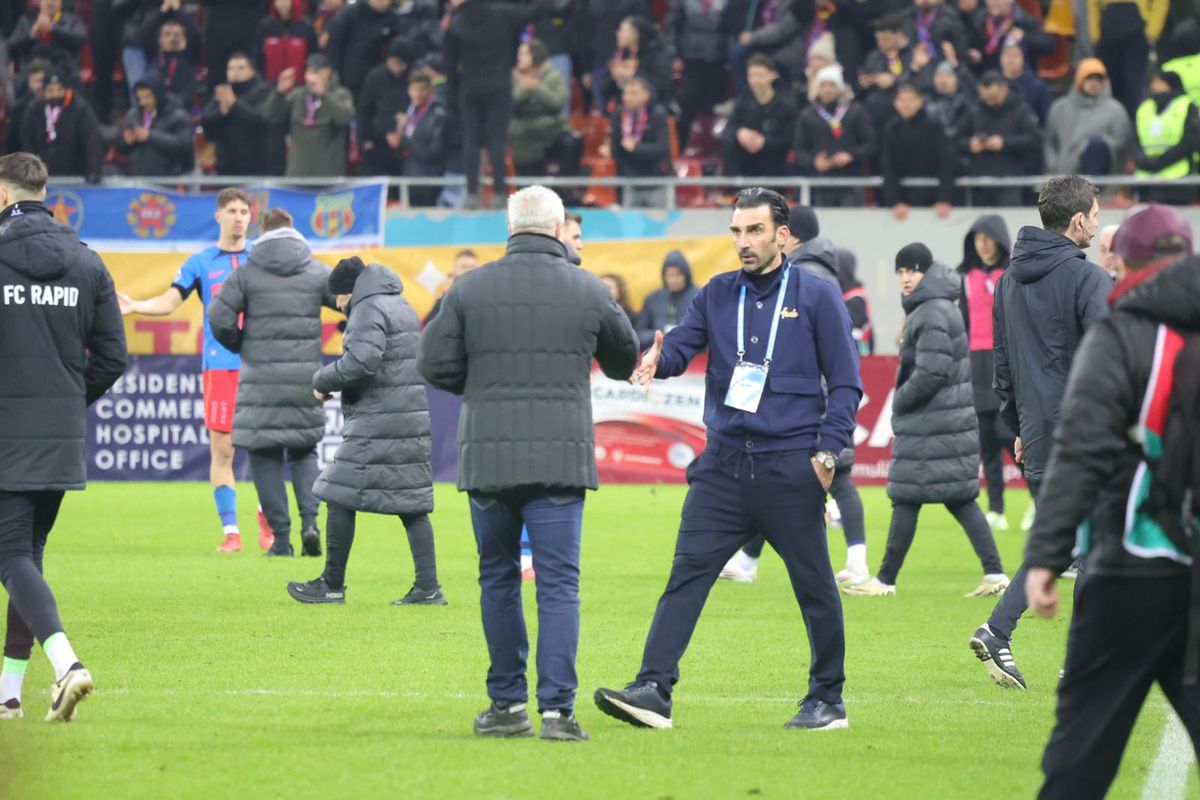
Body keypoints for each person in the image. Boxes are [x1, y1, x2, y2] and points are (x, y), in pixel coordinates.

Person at [593, 188, 862, 733]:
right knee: (687, 574)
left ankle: (827, 700)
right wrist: (654, 358)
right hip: (722, 467)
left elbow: (847, 384)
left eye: (755, 231)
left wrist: (828, 452)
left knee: (813, 586)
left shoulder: (816, 295)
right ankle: (654, 689)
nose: (743, 241)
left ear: (783, 236)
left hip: (791, 467)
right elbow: (678, 349)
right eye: (737, 231)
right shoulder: (716, 294)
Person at [420, 185, 639, 742]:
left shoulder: (468, 287)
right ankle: (558, 713)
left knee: (497, 581)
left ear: (510, 226)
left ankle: (506, 706)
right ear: (561, 227)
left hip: (488, 457)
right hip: (560, 459)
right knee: (559, 586)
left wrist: (483, 386)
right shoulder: (589, 287)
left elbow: (432, 362)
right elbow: (624, 360)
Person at [1023, 204, 1200, 800]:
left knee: (1080, 757)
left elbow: (1081, 453)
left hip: (1130, 568)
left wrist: (1047, 557)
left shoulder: (1120, 333)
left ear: (1124, 262)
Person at [969, 175, 1112, 689]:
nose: (1097, 223)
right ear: (1077, 221)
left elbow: (1001, 372)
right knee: (1095, 545)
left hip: (1037, 434)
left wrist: (1022, 427)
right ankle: (1082, 662)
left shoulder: (1007, 281)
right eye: (1095, 214)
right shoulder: (1087, 279)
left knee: (1059, 547)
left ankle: (997, 630)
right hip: (1086, 433)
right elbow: (1109, 361)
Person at [0, 152, 126, 723]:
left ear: (4, 197)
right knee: (28, 556)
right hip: (58, 433)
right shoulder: (87, 261)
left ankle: (67, 664)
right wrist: (64, 404)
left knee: (10, 555)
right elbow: (113, 358)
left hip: (6, 435)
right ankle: (7, 692)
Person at [721, 205, 872, 587]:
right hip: (818, 394)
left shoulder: (803, 277)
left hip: (811, 399)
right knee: (781, 479)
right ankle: (751, 561)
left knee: (828, 477)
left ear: (790, 235)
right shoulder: (824, 273)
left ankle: (855, 563)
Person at [845, 245, 1008, 598]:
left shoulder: (930, 311)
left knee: (910, 499)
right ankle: (995, 573)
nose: (905, 278)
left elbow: (933, 371)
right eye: (900, 271)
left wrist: (900, 400)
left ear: (926, 273)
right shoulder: (936, 306)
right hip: (944, 422)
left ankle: (885, 580)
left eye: (911, 271)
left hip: (933, 422)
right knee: (958, 499)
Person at [289, 257, 445, 607]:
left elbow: (360, 362)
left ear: (348, 291)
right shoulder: (398, 302)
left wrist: (321, 381)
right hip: (408, 416)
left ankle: (331, 585)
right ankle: (428, 587)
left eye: (339, 299)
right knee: (413, 504)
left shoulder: (366, 307)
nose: (339, 306)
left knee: (338, 493)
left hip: (379, 418)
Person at [118, 188, 264, 554]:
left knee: (266, 447)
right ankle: (231, 531)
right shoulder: (201, 262)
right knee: (224, 451)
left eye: (244, 211)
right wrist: (135, 305)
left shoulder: (263, 259)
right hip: (220, 369)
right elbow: (170, 302)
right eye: (231, 210)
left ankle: (269, 522)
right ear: (218, 216)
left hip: (262, 367)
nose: (238, 217)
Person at [206, 209, 333, 559]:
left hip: (259, 380)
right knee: (304, 451)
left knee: (264, 456)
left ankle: (281, 539)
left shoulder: (247, 272)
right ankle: (311, 524)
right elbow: (350, 300)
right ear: (294, 232)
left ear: (263, 233)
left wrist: (239, 343)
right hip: (305, 379)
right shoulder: (315, 270)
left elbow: (218, 315)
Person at [957, 215, 1020, 531]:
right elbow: (961, 321)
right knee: (986, 438)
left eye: (987, 238)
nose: (982, 244)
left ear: (999, 240)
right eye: (977, 238)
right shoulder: (964, 277)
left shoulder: (1013, 274)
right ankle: (996, 508)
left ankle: (1039, 497)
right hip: (974, 361)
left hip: (1003, 359)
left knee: (1007, 433)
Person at [444, 0, 539, 210]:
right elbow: (532, 13)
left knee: (471, 139)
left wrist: (453, 95)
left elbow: (449, 65)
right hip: (499, 85)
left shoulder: (455, 23)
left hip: (469, 87)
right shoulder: (502, 13)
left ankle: (471, 193)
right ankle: (498, 192)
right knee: (497, 139)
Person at [791, 65, 876, 208]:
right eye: (823, 85)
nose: (827, 89)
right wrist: (814, 162)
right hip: (818, 184)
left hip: (851, 182)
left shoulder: (856, 112)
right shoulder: (807, 115)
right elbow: (798, 150)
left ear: (840, 87)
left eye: (832, 85)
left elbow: (871, 143)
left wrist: (851, 155)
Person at [261, 54, 355, 178]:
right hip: (298, 173)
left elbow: (344, 118)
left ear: (328, 72)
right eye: (308, 71)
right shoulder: (297, 95)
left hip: (328, 175)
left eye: (316, 71)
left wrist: (323, 94)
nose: (311, 76)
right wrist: (279, 92)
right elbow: (270, 116)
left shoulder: (341, 94)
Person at [960, 71, 1041, 206]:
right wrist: (969, 145)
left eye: (993, 97)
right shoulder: (975, 110)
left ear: (1004, 89)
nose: (988, 101)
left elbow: (1034, 139)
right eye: (985, 97)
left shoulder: (1021, 110)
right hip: (980, 182)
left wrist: (1005, 143)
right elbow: (955, 140)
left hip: (1010, 181)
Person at [1044, 59, 1134, 177]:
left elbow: (1122, 145)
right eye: (1089, 78)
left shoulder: (1116, 110)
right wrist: (1054, 165)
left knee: (1097, 145)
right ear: (1079, 80)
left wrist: (1088, 148)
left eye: (1098, 79)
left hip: (1102, 180)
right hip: (1063, 176)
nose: (1094, 83)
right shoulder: (1060, 108)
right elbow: (1049, 142)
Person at [879, 83, 954, 221]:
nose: (906, 104)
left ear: (920, 102)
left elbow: (946, 163)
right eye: (902, 100)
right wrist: (895, 201)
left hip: (933, 198)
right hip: (904, 200)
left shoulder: (934, 127)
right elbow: (888, 167)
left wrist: (943, 198)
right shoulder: (891, 130)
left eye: (910, 100)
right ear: (896, 103)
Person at [664, 0, 729, 153]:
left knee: (713, 109)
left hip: (718, 61)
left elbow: (733, 24)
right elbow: (671, 26)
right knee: (688, 105)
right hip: (690, 59)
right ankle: (682, 147)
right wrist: (673, 54)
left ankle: (712, 149)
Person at [720, 53, 798, 179]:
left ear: (772, 75)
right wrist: (740, 134)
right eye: (752, 76)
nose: (756, 80)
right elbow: (728, 131)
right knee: (729, 144)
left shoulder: (786, 105)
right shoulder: (742, 102)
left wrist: (765, 142)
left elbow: (791, 138)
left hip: (774, 166)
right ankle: (734, 188)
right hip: (745, 163)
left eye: (760, 75)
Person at [200, 53, 276, 177]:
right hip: (225, 165)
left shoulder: (263, 90)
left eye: (240, 68)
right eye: (231, 68)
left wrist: (234, 104)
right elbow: (205, 119)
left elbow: (262, 118)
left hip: (256, 166)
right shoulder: (223, 91)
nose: (234, 72)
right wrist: (221, 112)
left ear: (252, 70)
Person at [19, 72, 103, 184]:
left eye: (59, 90)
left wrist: (94, 171)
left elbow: (93, 139)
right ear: (44, 92)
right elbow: (26, 140)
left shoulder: (80, 108)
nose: (55, 95)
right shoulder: (34, 109)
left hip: (76, 176)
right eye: (50, 91)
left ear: (66, 90)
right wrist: (31, 171)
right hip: (41, 178)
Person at [1089, 0, 1166, 118]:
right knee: (1108, 84)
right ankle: (1110, 125)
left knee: (1133, 85)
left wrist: (1152, 32)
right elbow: (1092, 4)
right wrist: (1095, 34)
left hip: (1137, 29)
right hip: (1108, 29)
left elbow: (1160, 2)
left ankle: (1134, 126)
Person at [1133, 69, 1200, 205]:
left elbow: (1190, 142)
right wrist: (1142, 160)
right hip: (1146, 182)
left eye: (1158, 81)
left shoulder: (1186, 106)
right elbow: (1134, 141)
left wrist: (1159, 162)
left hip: (1177, 181)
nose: (1154, 84)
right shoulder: (1145, 108)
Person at [606, 76, 671, 208]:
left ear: (646, 95)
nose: (628, 97)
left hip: (656, 180)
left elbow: (662, 148)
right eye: (626, 93)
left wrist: (636, 148)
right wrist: (610, 146)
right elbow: (615, 150)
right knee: (630, 226)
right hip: (629, 180)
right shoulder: (618, 114)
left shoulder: (658, 114)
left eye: (634, 93)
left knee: (658, 224)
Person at [508, 38, 569, 176]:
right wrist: (524, 93)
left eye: (524, 54)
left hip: (548, 131)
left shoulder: (553, 76)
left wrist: (536, 88)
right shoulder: (513, 78)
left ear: (535, 56)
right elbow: (509, 105)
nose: (519, 58)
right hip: (522, 131)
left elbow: (558, 103)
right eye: (519, 54)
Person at [357, 37, 413, 177]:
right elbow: (364, 109)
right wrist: (365, 140)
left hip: (404, 146)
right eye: (393, 63)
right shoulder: (375, 77)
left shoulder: (413, 78)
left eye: (401, 64)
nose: (397, 68)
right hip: (376, 145)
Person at [115, 78, 194, 177]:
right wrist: (125, 141)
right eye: (140, 98)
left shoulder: (178, 116)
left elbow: (184, 146)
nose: (143, 102)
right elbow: (120, 146)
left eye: (148, 97)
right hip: (136, 180)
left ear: (158, 94)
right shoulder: (133, 115)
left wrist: (150, 136)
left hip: (168, 181)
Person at [323, 0, 400, 95]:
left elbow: (394, 45)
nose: (385, 3)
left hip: (376, 75)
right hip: (349, 75)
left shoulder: (391, 18)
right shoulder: (350, 13)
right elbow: (334, 44)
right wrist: (336, 71)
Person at [399, 73, 449, 207]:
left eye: (422, 89)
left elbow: (433, 153)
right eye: (414, 89)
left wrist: (404, 141)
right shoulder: (410, 111)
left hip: (429, 179)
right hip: (410, 175)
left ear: (430, 90)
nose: (418, 94)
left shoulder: (438, 114)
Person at [6, 0, 86, 80]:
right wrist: (31, 37)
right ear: (39, 2)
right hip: (31, 77)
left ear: (61, 2)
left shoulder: (72, 20)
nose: (50, 2)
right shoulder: (26, 20)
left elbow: (80, 42)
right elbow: (11, 51)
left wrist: (53, 30)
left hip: (65, 75)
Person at [636, 250, 699, 350]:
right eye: (670, 275)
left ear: (686, 275)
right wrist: (660, 335)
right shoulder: (652, 299)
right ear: (664, 276)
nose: (674, 280)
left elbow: (709, 333)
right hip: (659, 353)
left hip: (694, 356)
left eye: (678, 275)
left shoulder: (700, 297)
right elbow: (639, 335)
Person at [254, 0, 318, 80]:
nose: (282, 3)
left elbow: (313, 55)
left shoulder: (307, 26)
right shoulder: (265, 26)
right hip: (271, 82)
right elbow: (259, 56)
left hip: (300, 83)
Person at [144, 17, 197, 108]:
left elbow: (195, 32)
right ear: (160, 39)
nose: (172, 38)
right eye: (167, 34)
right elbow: (146, 30)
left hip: (179, 108)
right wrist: (162, 12)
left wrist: (178, 10)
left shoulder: (189, 58)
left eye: (176, 35)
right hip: (156, 104)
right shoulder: (154, 55)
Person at [1000, 43, 1051, 124]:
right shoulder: (994, 84)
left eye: (1015, 56)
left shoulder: (1037, 87)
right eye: (1006, 55)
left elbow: (1046, 119)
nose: (1010, 60)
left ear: (1023, 59)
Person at [425, 248, 480, 323]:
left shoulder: (485, 293)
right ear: (455, 270)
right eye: (463, 267)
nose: (468, 271)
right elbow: (430, 322)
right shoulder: (446, 295)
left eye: (472, 267)